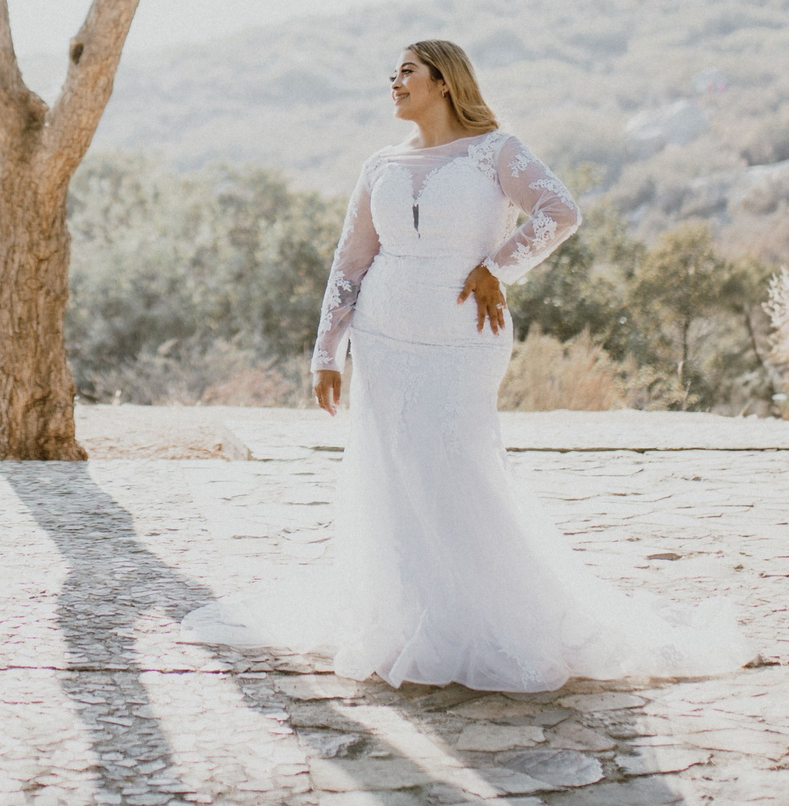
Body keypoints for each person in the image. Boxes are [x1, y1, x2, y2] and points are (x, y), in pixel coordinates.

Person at [183, 38, 752, 690]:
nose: (394, 81)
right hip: (383, 338)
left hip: (463, 337)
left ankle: (486, 613)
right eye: (393, 72)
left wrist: (497, 267)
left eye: (408, 71)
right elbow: (351, 262)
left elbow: (561, 212)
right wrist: (326, 352)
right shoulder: (379, 165)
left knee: (458, 463)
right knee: (393, 469)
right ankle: (408, 614)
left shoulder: (496, 152)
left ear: (445, 81)